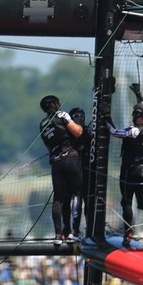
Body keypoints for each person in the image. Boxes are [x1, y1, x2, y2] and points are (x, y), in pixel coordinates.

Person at [107, 91, 143, 242]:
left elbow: (114, 131)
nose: (133, 115)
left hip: (129, 171)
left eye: (135, 113)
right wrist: (140, 96)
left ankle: (128, 233)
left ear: (139, 115)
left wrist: (106, 117)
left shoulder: (134, 131)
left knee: (126, 201)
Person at [39, 95, 84, 245]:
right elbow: (77, 132)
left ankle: (58, 235)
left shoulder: (42, 124)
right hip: (71, 158)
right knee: (77, 194)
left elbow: (48, 147)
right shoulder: (62, 115)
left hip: (56, 163)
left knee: (58, 198)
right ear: (54, 104)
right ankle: (74, 232)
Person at [68, 106, 91, 238]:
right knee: (83, 198)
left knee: (78, 198)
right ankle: (81, 229)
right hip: (83, 170)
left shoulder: (67, 133)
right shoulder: (88, 131)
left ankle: (75, 229)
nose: (80, 118)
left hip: (76, 171)